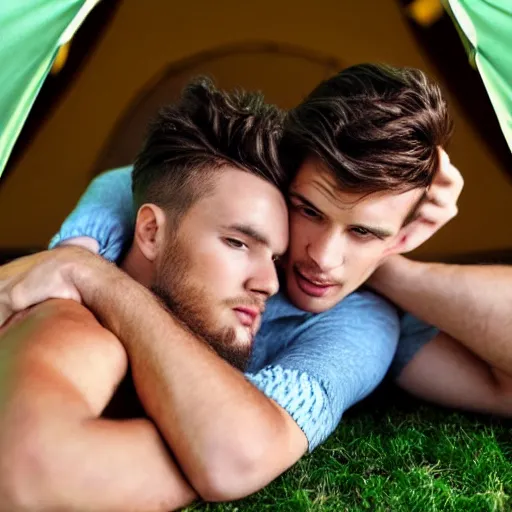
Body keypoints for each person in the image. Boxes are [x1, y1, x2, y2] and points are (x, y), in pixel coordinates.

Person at [0, 64, 470, 509]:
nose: (321, 259)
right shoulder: (84, 311)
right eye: (308, 210)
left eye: (365, 232)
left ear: (400, 237)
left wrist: (94, 275)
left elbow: (238, 456)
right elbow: (159, 184)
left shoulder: (362, 322)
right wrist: (81, 253)